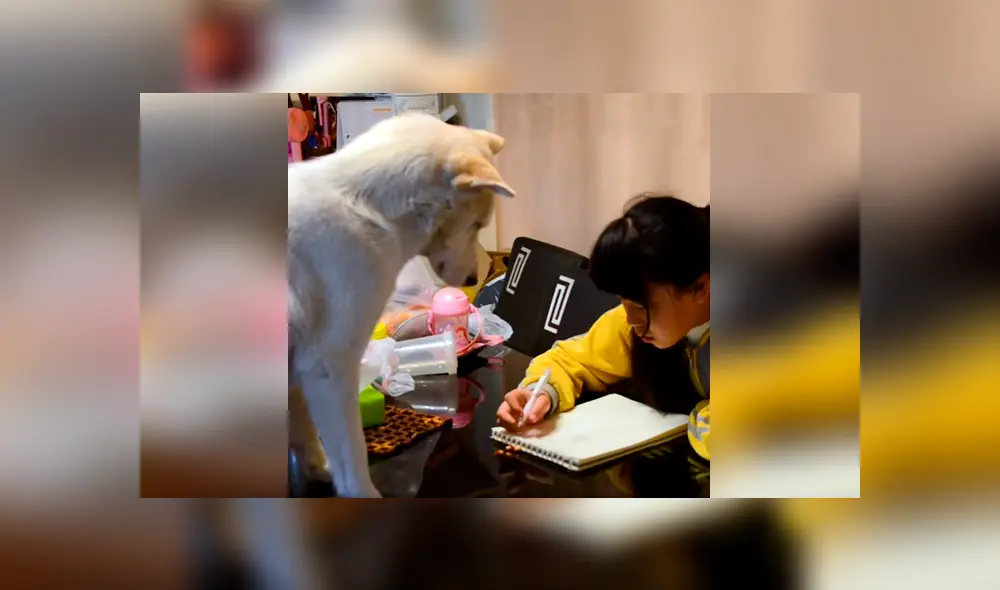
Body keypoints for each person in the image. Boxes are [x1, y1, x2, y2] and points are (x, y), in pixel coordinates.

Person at [495, 194, 711, 461]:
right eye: (623, 300)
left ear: (701, 288)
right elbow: (569, 360)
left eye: (643, 305)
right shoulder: (631, 325)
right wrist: (540, 394)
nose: (631, 320)